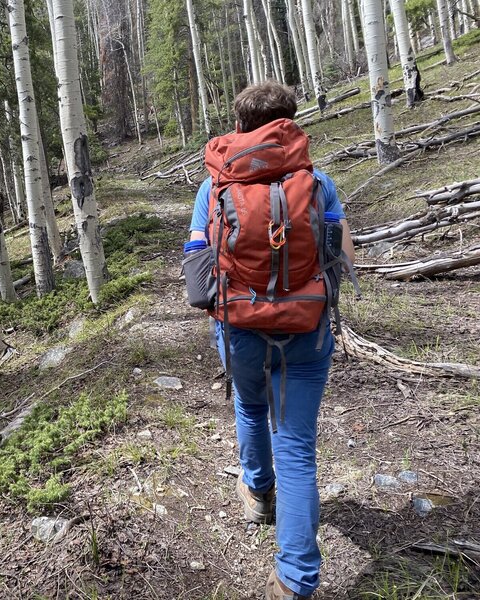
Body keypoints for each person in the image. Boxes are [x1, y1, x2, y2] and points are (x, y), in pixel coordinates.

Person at [188, 82, 355, 600]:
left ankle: (258, 493)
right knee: (298, 451)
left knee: (249, 403)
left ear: (240, 125)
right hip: (306, 332)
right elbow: (345, 261)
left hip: (240, 328)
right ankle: (296, 581)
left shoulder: (213, 187)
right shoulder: (318, 182)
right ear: (290, 124)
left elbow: (196, 270)